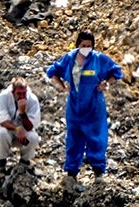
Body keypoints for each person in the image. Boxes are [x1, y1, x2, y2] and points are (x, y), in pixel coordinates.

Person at [46, 30, 123, 193]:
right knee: (74, 138)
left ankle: (98, 172)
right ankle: (72, 173)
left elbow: (116, 72)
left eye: (89, 46)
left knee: (97, 138)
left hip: (94, 106)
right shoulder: (69, 58)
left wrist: (106, 84)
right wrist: (62, 86)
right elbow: (52, 72)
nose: (86, 48)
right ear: (78, 45)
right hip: (75, 106)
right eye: (83, 45)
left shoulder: (99, 59)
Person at [0, 77, 41, 176]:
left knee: (33, 137)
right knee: (1, 133)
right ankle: (1, 162)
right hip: (9, 130)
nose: (22, 96)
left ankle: (24, 162)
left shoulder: (32, 99)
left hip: (24, 131)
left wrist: (22, 113)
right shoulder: (4, 97)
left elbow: (31, 126)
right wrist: (17, 128)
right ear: (13, 91)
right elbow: (2, 120)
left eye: (24, 93)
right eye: (19, 93)